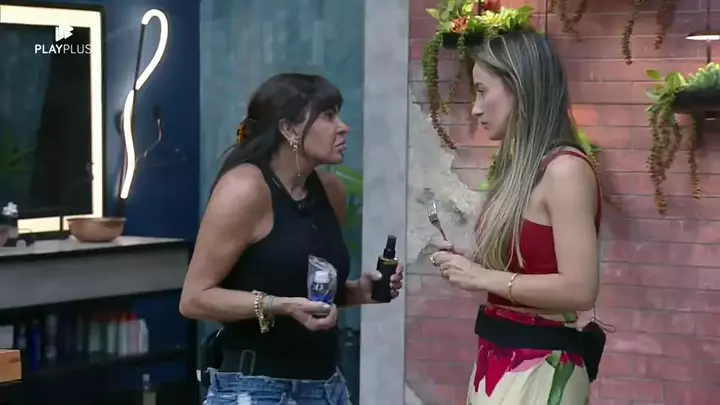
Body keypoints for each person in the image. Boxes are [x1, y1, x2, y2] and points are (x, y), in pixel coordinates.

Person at [180, 73, 404, 405]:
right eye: (328, 116)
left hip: (327, 387)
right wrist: (280, 306)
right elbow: (194, 299)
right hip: (256, 389)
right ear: (289, 129)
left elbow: (304, 289)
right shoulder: (245, 189)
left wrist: (358, 291)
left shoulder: (330, 191)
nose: (343, 127)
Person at [430, 31, 602, 405]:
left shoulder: (565, 170)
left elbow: (580, 288)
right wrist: (473, 261)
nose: (475, 109)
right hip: (498, 358)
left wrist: (482, 277)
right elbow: (533, 262)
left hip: (542, 368)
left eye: (482, 91)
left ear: (519, 87)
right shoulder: (522, 170)